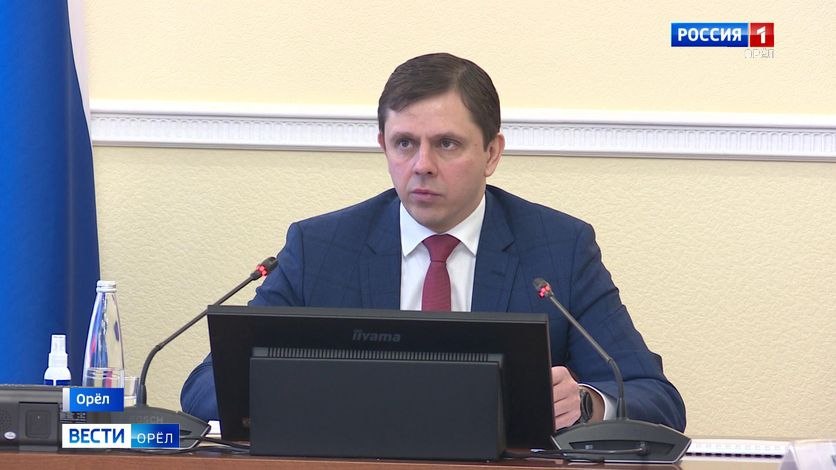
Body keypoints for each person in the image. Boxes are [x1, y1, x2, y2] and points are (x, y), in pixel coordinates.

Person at [181, 52, 686, 433]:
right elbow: (205, 387)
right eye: (405, 143)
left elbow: (655, 398)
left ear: (491, 153)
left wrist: (588, 404)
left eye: (447, 143)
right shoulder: (321, 248)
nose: (422, 165)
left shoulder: (558, 248)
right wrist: (304, 391)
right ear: (383, 146)